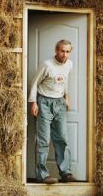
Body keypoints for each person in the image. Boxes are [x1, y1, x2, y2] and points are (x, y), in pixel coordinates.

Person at [28, 39, 77, 184]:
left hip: (59, 103)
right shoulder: (47, 65)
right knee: (43, 140)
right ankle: (43, 175)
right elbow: (34, 83)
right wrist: (33, 103)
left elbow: (65, 81)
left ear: (70, 52)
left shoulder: (69, 64)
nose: (64, 54)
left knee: (62, 139)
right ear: (56, 50)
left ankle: (65, 173)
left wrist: (66, 97)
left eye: (67, 51)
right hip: (44, 102)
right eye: (62, 51)